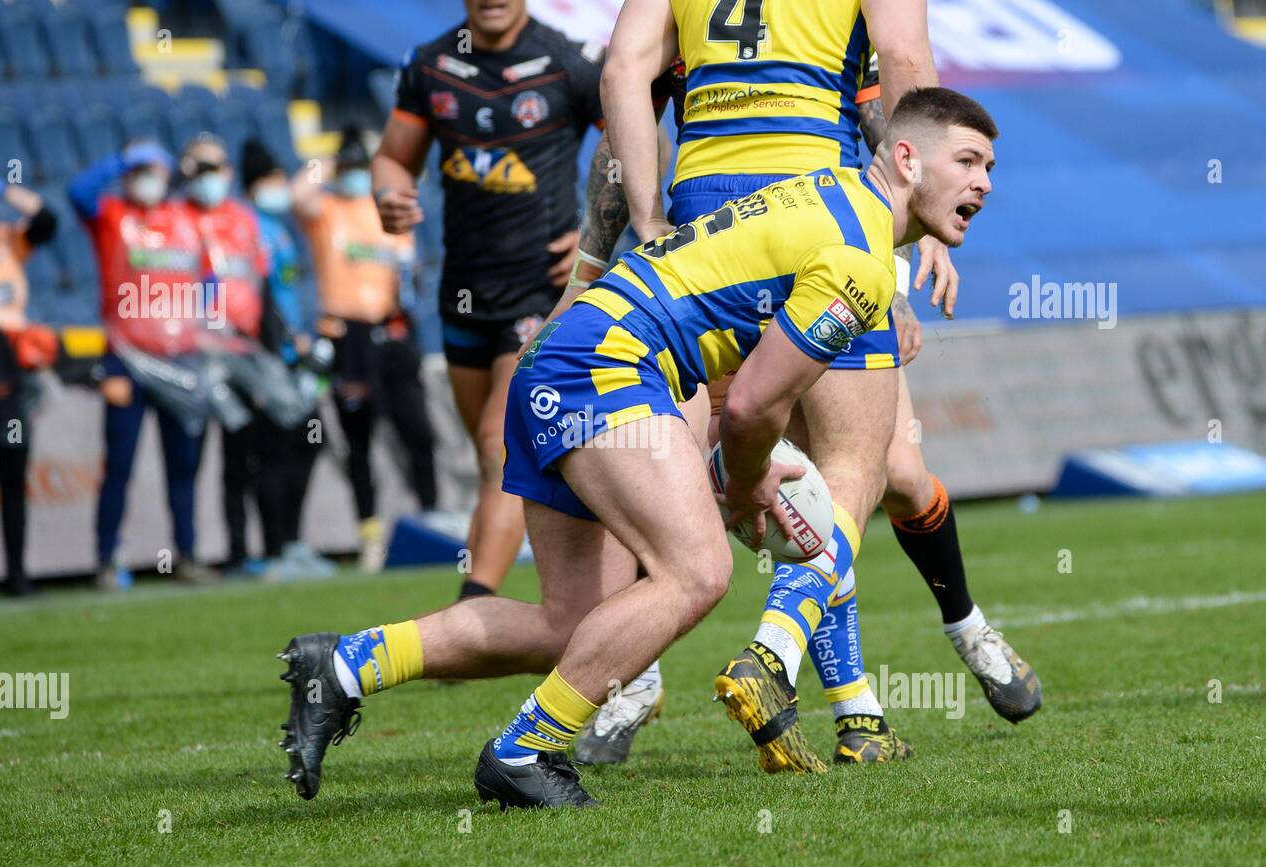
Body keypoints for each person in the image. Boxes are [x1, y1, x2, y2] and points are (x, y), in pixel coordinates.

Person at [276, 87, 999, 808]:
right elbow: (752, 404)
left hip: (565, 354)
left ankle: (340, 666)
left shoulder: (831, 191)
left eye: (990, 168)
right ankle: (523, 750)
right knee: (697, 572)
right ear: (905, 158)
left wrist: (730, 467)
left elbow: (739, 378)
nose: (984, 183)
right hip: (607, 365)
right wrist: (744, 483)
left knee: (570, 622)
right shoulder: (859, 261)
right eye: (967, 161)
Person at [581, 0, 1040, 769]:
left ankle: (904, 672)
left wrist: (634, 230)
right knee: (858, 468)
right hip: (823, 207)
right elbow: (903, 66)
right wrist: (917, 221)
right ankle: (782, 661)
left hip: (705, 213)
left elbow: (625, 76)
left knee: (849, 474)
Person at [371, 0, 601, 599]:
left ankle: (475, 605)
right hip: (464, 293)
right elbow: (395, 159)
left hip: (543, 290)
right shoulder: (431, 66)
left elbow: (638, 140)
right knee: (496, 458)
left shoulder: (569, 62)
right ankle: (592, 571)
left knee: (498, 439)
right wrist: (390, 194)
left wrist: (596, 232)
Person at [69, 141, 214, 589]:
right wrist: (119, 158)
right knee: (120, 464)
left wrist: (209, 330)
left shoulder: (186, 221)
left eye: (154, 169)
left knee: (184, 465)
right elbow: (78, 192)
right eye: (140, 170)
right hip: (126, 361)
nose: (147, 177)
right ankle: (107, 561)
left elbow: (210, 281)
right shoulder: (112, 215)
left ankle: (187, 555)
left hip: (181, 360)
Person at [297, 127, 437, 572]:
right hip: (347, 337)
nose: (357, 176)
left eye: (363, 169)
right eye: (351, 169)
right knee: (359, 441)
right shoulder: (327, 210)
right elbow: (296, 193)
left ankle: (432, 520)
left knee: (418, 431)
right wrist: (327, 161)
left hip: (392, 332)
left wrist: (384, 157)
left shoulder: (388, 212)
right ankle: (369, 533)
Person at [174, 134, 276, 577]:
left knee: (244, 455)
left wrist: (268, 354)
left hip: (241, 351)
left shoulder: (244, 220)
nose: (207, 179)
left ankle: (247, 551)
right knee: (187, 456)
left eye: (214, 168)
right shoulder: (174, 218)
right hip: (192, 354)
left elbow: (263, 286)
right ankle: (187, 554)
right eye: (198, 169)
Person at [240, 139, 334, 579]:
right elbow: (257, 294)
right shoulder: (250, 229)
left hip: (294, 352)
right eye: (274, 179)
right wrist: (283, 341)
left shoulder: (276, 227)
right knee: (276, 452)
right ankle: (275, 550)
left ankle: (292, 543)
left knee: (309, 443)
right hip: (270, 356)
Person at [0, 165, 58, 599]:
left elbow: (47, 221)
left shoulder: (5, 238)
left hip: (10, 361)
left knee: (12, 469)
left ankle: (17, 574)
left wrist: (3, 189)